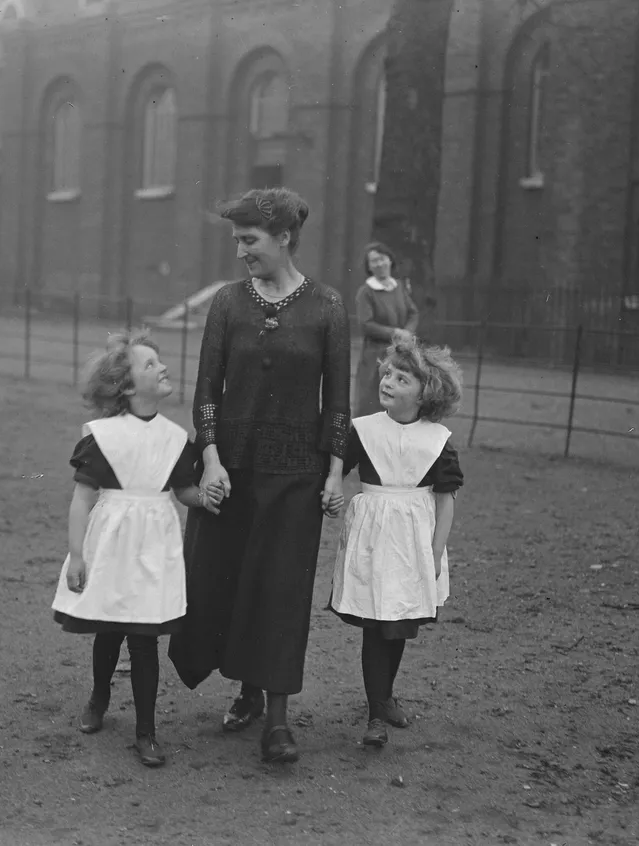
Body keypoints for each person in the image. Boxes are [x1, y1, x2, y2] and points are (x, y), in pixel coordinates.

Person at [168, 187, 351, 764]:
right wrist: (214, 458)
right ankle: (245, 689)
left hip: (297, 475)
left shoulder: (327, 306)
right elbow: (206, 390)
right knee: (227, 581)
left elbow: (340, 402)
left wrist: (335, 472)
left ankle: (276, 720)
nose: (242, 251)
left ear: (284, 238)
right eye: (237, 241)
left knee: (281, 592)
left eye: (249, 241)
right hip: (233, 470)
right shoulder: (227, 303)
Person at [51, 331, 221, 768]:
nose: (162, 368)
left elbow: (182, 490)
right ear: (126, 387)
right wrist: (77, 555)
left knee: (144, 638)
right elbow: (82, 500)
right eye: (149, 365)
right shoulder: (103, 437)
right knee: (110, 628)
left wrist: (206, 498)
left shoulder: (174, 436)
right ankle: (99, 697)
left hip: (155, 548)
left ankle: (146, 730)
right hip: (111, 544)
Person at [328, 331, 463, 748]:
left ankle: (384, 696)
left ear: (426, 394)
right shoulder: (364, 430)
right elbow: (335, 471)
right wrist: (331, 488)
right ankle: (374, 714)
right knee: (375, 625)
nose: (389, 382)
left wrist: (435, 551)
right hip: (372, 536)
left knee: (399, 623)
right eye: (388, 374)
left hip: (414, 541)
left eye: (403, 379)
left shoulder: (436, 441)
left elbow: (446, 501)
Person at [354, 242, 420, 416]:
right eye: (374, 261)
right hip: (376, 357)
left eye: (382, 259)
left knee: (399, 404)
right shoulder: (366, 292)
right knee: (371, 405)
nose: (379, 264)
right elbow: (366, 324)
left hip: (400, 353)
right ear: (369, 267)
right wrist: (395, 333)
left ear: (390, 260)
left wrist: (407, 332)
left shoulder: (398, 287)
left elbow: (413, 313)